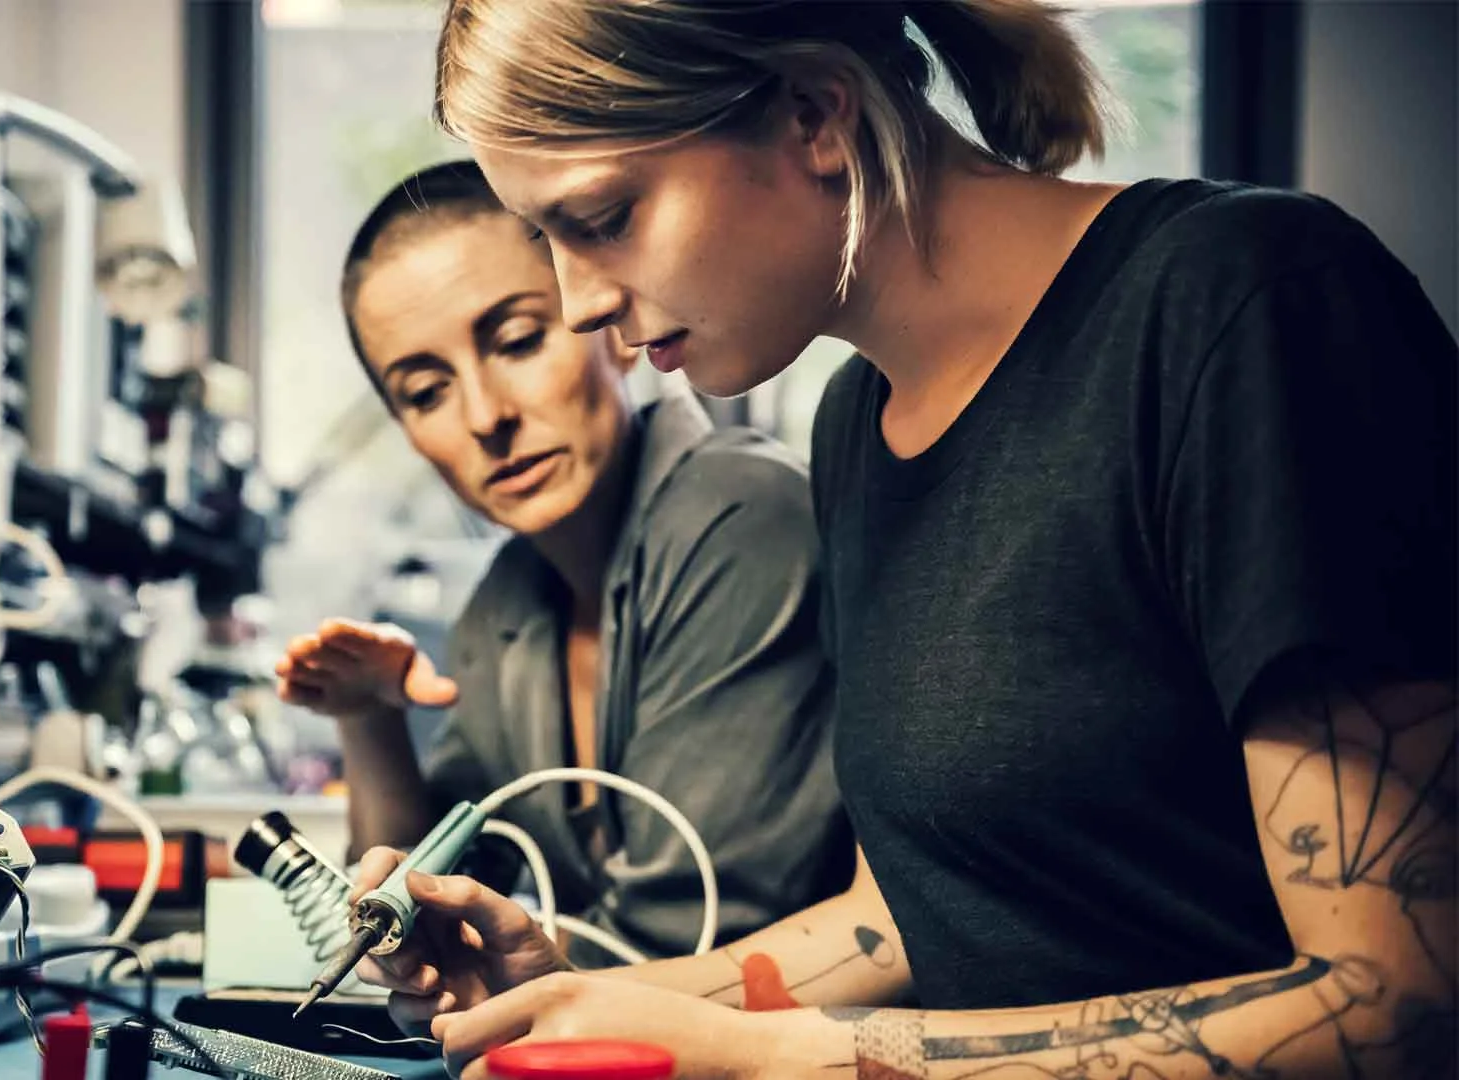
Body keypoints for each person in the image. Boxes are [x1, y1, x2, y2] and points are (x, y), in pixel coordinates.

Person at [350, 1, 1459, 1076]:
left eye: (601, 220)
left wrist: (788, 1062)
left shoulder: (1245, 305)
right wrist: (577, 999)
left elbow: (1396, 1005)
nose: (580, 301)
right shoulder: (858, 427)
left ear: (814, 116)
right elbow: (902, 924)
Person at [274, 160, 854, 964]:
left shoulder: (743, 515)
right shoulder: (505, 606)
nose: (485, 417)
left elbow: (691, 942)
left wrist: (478, 974)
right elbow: (406, 918)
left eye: (516, 341)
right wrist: (369, 719)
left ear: (608, 321)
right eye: (426, 392)